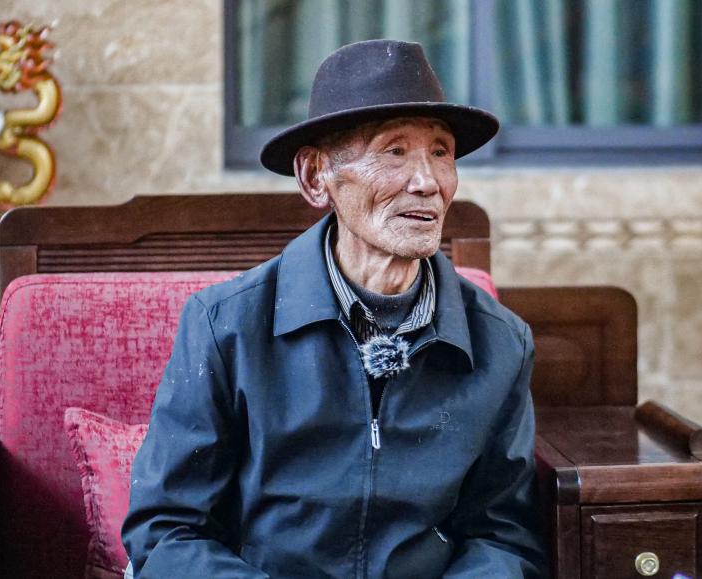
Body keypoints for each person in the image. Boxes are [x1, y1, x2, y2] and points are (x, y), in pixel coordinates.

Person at [122, 40, 547, 578]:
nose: (427, 182)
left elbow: (502, 537)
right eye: (395, 151)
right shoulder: (226, 325)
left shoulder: (500, 342)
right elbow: (166, 530)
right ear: (315, 176)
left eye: (440, 152)